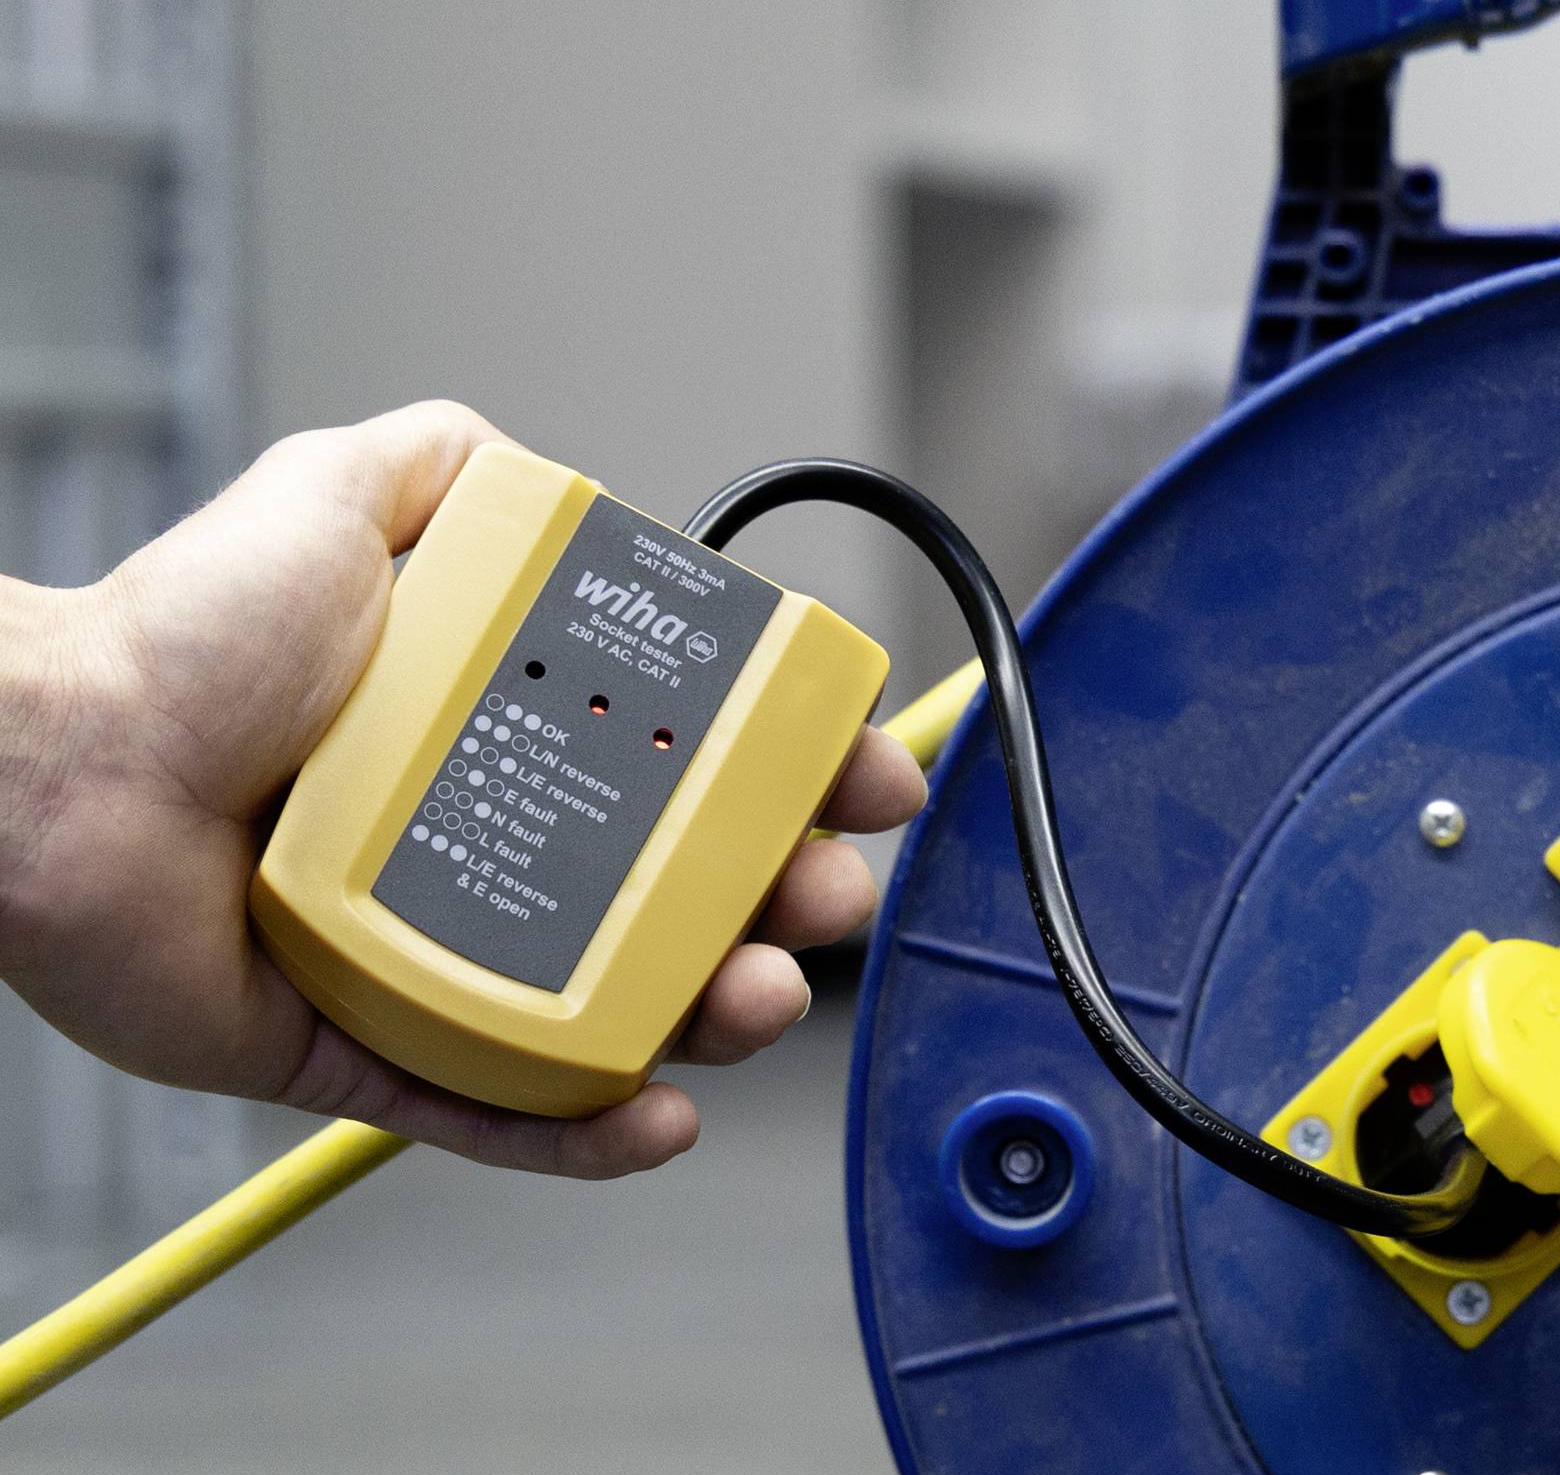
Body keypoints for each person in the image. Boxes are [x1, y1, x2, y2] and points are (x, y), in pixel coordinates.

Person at [0, 401, 927, 1178]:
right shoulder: (515, 519)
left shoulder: (797, 668)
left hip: (345, 930)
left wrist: (81, 746)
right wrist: (102, 725)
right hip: (302, 915)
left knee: (795, 916)